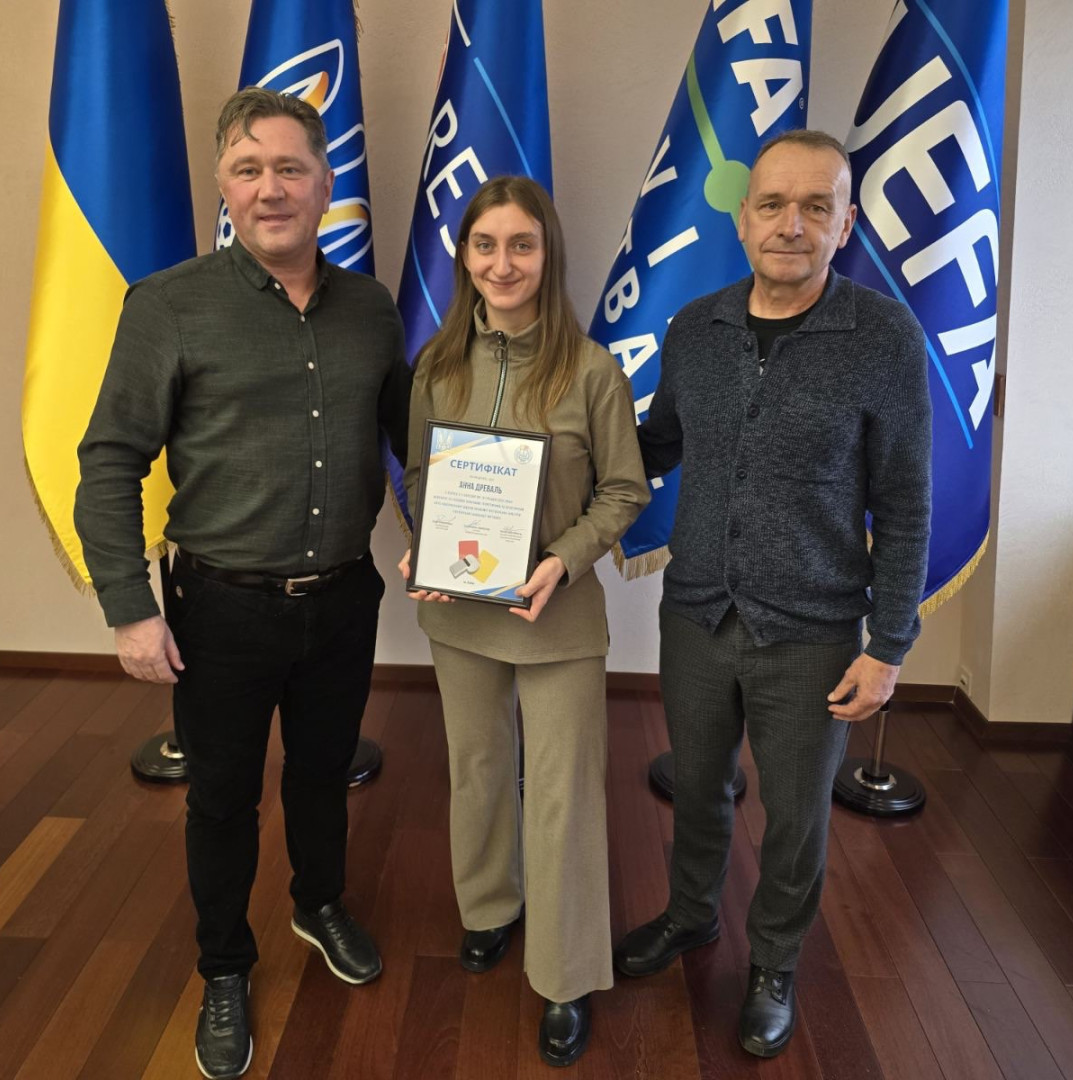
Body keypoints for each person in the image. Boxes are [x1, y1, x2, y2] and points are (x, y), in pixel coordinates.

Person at [75, 88, 411, 1080]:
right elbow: (109, 461)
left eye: (290, 168)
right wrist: (130, 610)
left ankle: (318, 904)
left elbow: (413, 441)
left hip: (343, 598)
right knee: (222, 799)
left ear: (325, 183)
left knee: (322, 773)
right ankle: (224, 966)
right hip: (218, 610)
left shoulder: (371, 309)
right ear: (223, 186)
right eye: (248, 169)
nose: (271, 188)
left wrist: (458, 539)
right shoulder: (168, 305)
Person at [613, 130, 932, 1058]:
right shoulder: (696, 328)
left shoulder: (884, 338)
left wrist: (889, 645)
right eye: (772, 205)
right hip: (698, 612)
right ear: (742, 217)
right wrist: (551, 446)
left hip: (815, 630)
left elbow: (905, 501)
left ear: (845, 223)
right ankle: (691, 915)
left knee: (795, 816)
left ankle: (774, 963)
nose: (791, 225)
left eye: (815, 207)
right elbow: (658, 442)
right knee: (697, 784)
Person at [398, 176, 648, 1067]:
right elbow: (420, 476)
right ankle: (490, 907)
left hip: (558, 618)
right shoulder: (436, 367)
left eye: (522, 245)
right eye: (486, 245)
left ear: (549, 255)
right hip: (459, 614)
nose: (503, 264)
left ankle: (565, 973)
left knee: (562, 790)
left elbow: (624, 491)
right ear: (464, 257)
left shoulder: (592, 371)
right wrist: (424, 545)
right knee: (476, 768)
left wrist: (562, 561)